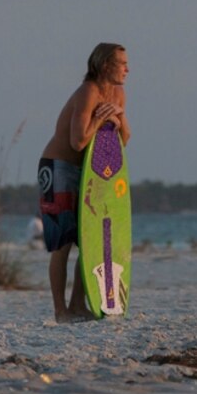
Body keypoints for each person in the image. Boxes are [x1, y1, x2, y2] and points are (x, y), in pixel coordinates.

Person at [38, 43, 130, 323]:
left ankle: (78, 304)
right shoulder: (88, 92)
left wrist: (119, 116)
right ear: (104, 65)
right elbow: (77, 141)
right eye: (122, 63)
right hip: (58, 168)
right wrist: (101, 117)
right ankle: (60, 311)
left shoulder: (118, 93)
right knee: (63, 243)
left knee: (87, 240)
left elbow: (122, 141)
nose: (128, 68)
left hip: (89, 172)